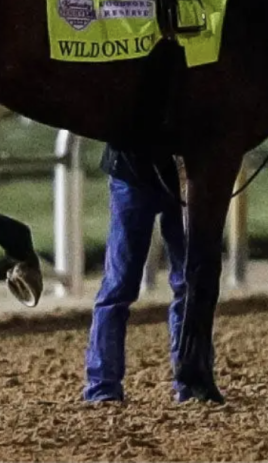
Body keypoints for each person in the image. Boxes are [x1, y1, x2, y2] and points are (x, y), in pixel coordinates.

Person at [83, 144, 188, 403]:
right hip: (135, 170)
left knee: (189, 283)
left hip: (183, 173)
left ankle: (191, 380)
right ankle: (102, 386)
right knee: (120, 285)